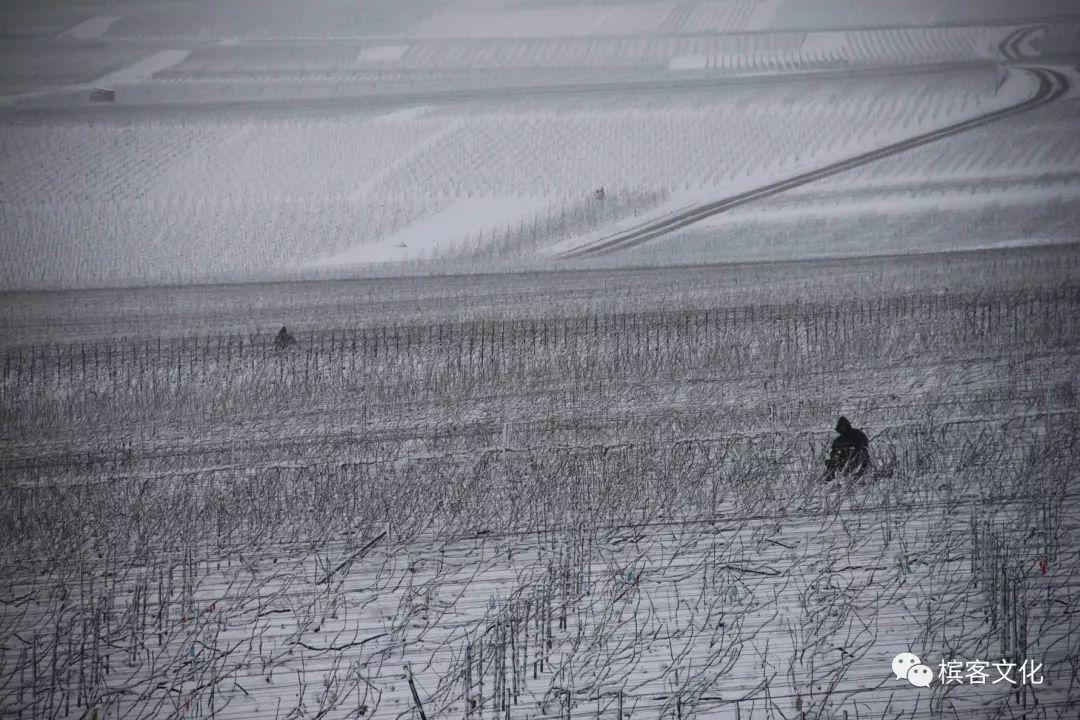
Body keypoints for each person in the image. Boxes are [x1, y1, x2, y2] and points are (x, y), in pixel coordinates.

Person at [824, 416, 870, 481]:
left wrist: (857, 449)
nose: (842, 428)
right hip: (844, 460)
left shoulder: (857, 433)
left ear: (847, 425)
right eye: (841, 427)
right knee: (831, 461)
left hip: (856, 458)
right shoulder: (838, 440)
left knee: (863, 454)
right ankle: (831, 477)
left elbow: (864, 443)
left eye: (843, 426)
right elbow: (833, 451)